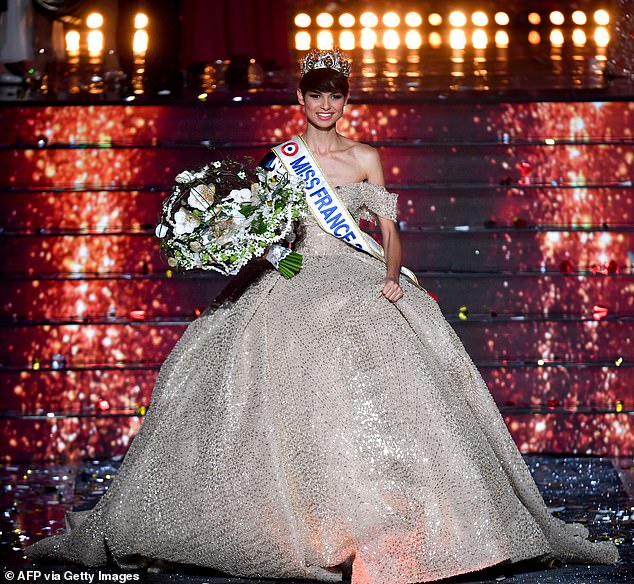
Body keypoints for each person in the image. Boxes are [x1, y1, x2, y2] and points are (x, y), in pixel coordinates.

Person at [24, 48, 620, 583]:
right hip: (293, 271)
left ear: (345, 99)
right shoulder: (281, 158)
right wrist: (239, 247)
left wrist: (390, 278)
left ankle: (395, 521)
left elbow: (388, 233)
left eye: (337, 94)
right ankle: (292, 520)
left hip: (356, 271)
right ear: (301, 98)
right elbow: (249, 222)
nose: (327, 103)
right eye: (318, 93)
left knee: (369, 338)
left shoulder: (365, 157)